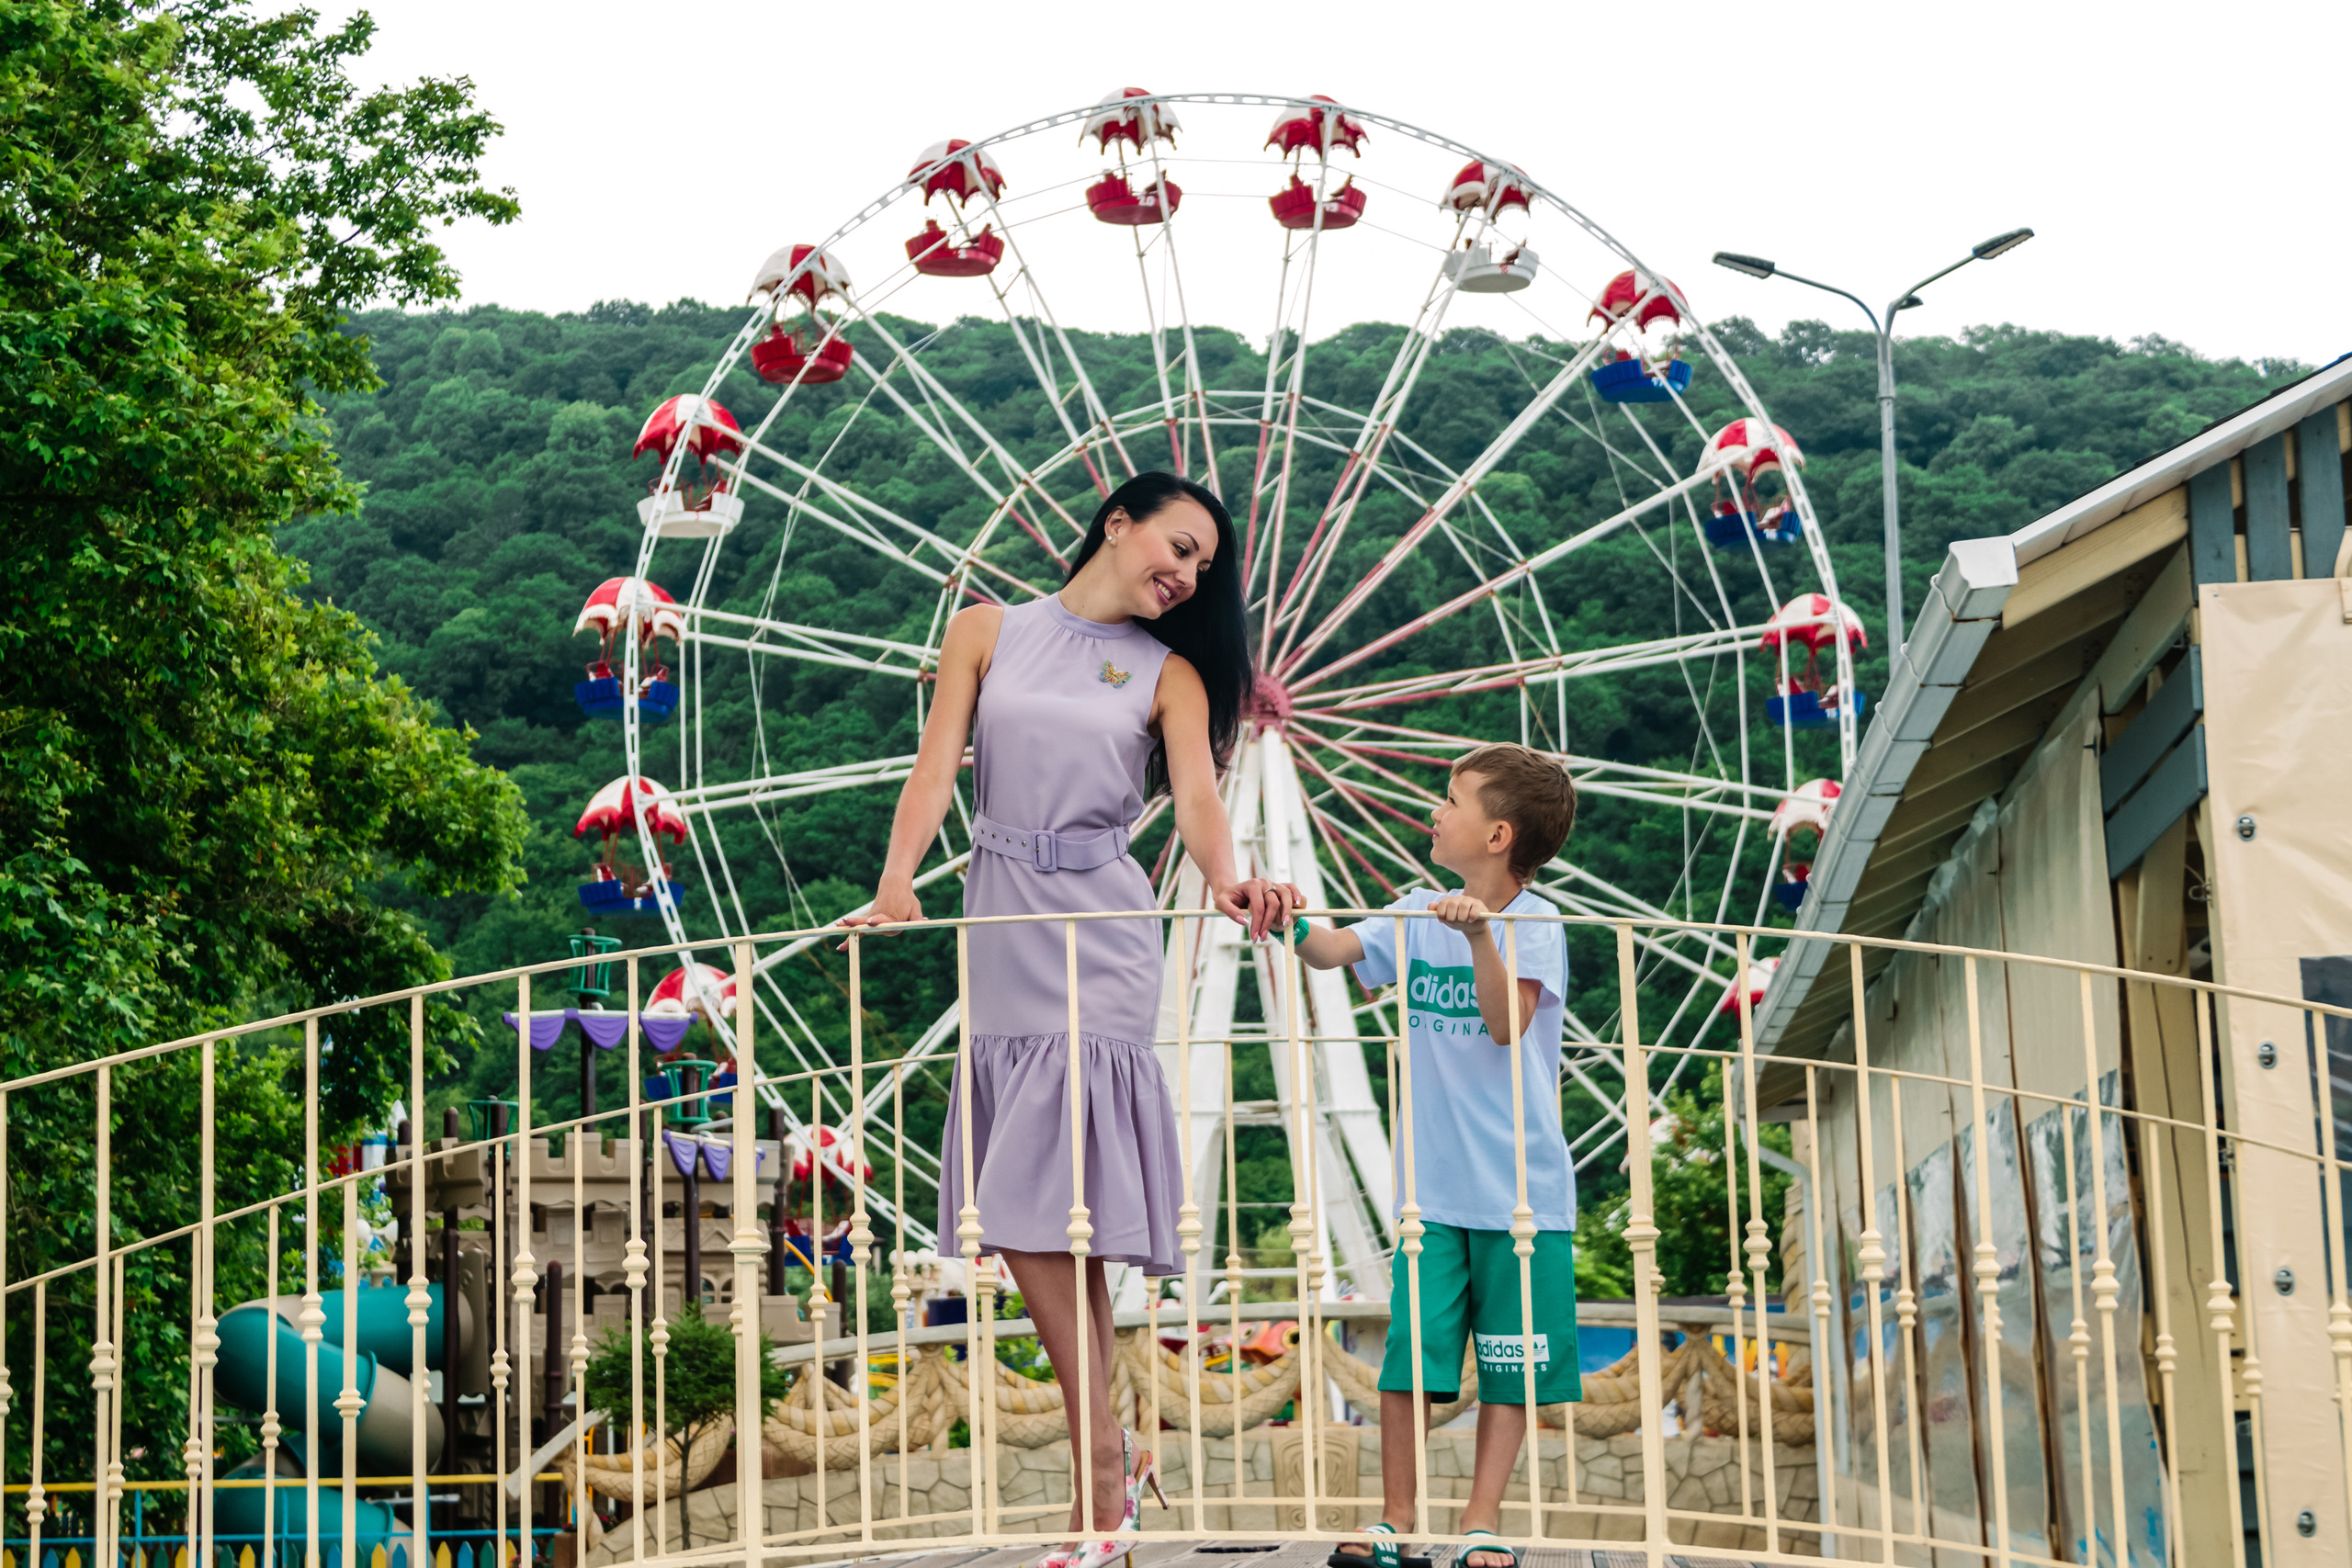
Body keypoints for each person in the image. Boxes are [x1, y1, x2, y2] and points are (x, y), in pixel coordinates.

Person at [842, 472, 1300, 1568]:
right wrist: (897, 883)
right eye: (1177, 547)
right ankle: (1113, 1458)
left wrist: (1230, 881)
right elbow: (935, 770)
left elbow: (1196, 802)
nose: (1185, 576)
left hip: (1103, 924)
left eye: (1201, 568)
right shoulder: (984, 630)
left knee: (1059, 1204)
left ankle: (1099, 1468)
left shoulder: (1170, 674)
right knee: (1032, 1209)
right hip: (1002, 915)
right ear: (1116, 523)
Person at [1294, 744, 1581, 1568]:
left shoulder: (1539, 923)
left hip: (1524, 1192)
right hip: (1431, 1192)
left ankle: (1480, 1521)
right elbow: (1330, 950)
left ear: (1497, 834)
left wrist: (1482, 936)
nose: (1434, 811)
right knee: (1410, 1362)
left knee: (1512, 1366)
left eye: (1451, 800)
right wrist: (1283, 916)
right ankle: (1396, 1517)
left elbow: (1505, 1022)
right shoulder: (1416, 911)